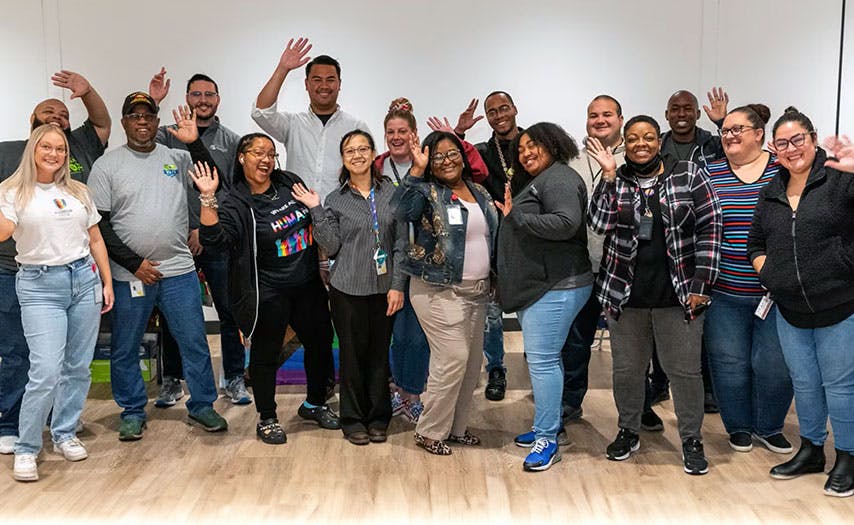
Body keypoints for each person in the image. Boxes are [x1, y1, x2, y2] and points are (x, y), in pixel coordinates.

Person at [87, 92, 227, 441]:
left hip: (178, 269)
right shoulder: (107, 165)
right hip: (129, 274)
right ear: (124, 122)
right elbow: (98, 224)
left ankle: (202, 405)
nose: (142, 122)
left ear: (156, 121)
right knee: (126, 345)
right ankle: (132, 410)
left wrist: (194, 143)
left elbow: (213, 178)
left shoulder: (176, 157)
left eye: (148, 116)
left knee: (193, 341)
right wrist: (134, 263)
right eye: (135, 116)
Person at [588, 115, 722, 475]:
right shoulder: (617, 178)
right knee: (627, 371)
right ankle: (628, 430)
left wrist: (702, 284)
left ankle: (691, 439)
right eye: (633, 138)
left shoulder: (688, 174)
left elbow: (711, 226)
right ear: (624, 144)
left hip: (678, 295)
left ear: (659, 141)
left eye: (648, 137)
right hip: (625, 296)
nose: (641, 144)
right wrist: (609, 177)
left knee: (685, 373)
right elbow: (598, 224)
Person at [196, 132, 339, 445]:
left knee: (319, 343)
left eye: (271, 154)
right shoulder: (236, 202)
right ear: (241, 157)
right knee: (265, 355)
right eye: (258, 153)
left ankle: (315, 403)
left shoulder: (288, 182)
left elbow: (312, 219)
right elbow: (214, 242)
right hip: (268, 291)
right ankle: (268, 417)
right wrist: (208, 198)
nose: (266, 159)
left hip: (307, 284)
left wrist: (322, 261)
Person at [0, 70, 110, 454]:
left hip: (80, 277)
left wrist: (88, 90)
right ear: (32, 125)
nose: (57, 119)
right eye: (49, 113)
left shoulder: (77, 174)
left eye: (63, 116)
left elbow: (94, 236)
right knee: (26, 358)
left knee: (74, 364)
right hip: (21, 274)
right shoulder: (8, 164)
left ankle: (62, 428)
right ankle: (14, 429)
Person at [747, 108, 854, 498]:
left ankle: (848, 456)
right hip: (789, 309)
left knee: (840, 387)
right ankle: (811, 450)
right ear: (774, 149)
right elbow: (755, 242)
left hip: (839, 305)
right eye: (783, 144)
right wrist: (769, 273)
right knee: (805, 384)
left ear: (813, 138)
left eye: (798, 140)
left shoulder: (840, 179)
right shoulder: (771, 189)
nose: (791, 149)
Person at [252, 37, 368, 394]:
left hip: (341, 228)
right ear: (306, 84)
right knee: (309, 311)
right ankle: (314, 381)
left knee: (344, 309)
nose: (323, 85)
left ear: (339, 84)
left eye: (330, 79)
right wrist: (283, 68)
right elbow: (260, 112)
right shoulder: (293, 124)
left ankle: (351, 382)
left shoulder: (355, 125)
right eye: (316, 79)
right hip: (296, 229)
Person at [292, 130, 404, 445]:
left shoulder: (391, 193)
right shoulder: (336, 199)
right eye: (350, 151)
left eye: (362, 149)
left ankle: (379, 417)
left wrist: (398, 285)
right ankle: (353, 419)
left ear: (373, 154)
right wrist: (315, 209)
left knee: (379, 356)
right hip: (347, 290)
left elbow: (401, 245)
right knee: (352, 357)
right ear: (343, 159)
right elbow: (331, 245)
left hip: (385, 289)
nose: (357, 155)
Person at [148, 69, 249, 407]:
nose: (203, 100)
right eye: (196, 94)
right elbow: (141, 143)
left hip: (216, 240)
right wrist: (154, 102)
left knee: (229, 311)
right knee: (173, 313)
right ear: (187, 99)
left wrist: (206, 230)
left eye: (209, 95)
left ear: (218, 100)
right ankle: (172, 380)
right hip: (174, 242)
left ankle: (234, 377)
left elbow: (233, 193)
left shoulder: (232, 141)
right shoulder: (167, 136)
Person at [496, 122, 593, 471]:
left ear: (553, 144)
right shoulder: (545, 179)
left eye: (533, 145)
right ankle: (545, 426)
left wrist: (517, 217)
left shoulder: (560, 179)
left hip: (557, 285)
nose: (525, 153)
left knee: (543, 362)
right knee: (548, 360)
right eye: (521, 148)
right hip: (544, 285)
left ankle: (548, 439)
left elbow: (566, 222)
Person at [398, 131, 498, 456]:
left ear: (463, 156)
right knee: (452, 359)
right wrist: (416, 171)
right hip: (438, 289)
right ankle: (429, 431)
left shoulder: (479, 191)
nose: (446, 161)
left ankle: (456, 428)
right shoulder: (426, 192)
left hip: (478, 291)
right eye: (437, 156)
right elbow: (400, 211)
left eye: (452, 153)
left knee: (471, 364)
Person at [704, 104, 793, 454]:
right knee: (729, 364)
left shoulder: (783, 170)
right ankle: (739, 427)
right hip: (724, 291)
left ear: (759, 134)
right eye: (725, 130)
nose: (729, 136)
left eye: (737, 129)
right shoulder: (710, 172)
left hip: (777, 292)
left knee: (775, 366)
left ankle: (769, 427)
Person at [660, 88, 730, 413]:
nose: (681, 114)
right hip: (669, 241)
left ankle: (708, 391)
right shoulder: (658, 145)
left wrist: (722, 122)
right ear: (666, 114)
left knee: (702, 324)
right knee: (664, 321)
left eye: (687, 108)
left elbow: (738, 148)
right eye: (675, 109)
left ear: (697, 114)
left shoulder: (713, 143)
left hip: (705, 235)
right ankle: (659, 384)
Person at [560, 94, 625, 425]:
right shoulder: (572, 161)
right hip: (580, 267)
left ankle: (638, 408)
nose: (600, 120)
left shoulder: (635, 158)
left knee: (631, 347)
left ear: (620, 119)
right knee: (575, 342)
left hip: (623, 269)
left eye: (607, 114)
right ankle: (570, 402)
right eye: (593, 115)